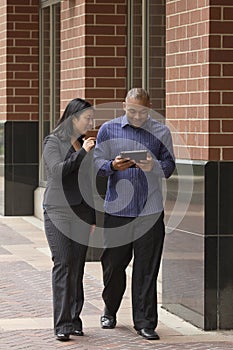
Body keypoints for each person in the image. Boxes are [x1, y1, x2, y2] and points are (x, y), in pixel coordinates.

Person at [94, 88, 175, 340]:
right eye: (131, 111)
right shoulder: (108, 129)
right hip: (117, 210)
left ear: (149, 107)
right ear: (123, 106)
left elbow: (169, 166)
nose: (136, 116)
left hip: (149, 211)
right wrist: (111, 166)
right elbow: (96, 161)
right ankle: (110, 308)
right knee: (114, 265)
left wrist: (154, 167)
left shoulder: (161, 131)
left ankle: (145, 322)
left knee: (146, 269)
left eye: (141, 111)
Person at [43, 98, 96, 341]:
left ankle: (74, 319)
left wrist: (93, 216)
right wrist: (83, 152)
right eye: (87, 118)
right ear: (74, 118)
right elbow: (58, 171)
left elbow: (88, 182)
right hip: (58, 211)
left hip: (82, 213)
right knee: (64, 264)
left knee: (77, 266)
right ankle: (62, 324)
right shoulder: (53, 141)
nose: (91, 122)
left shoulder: (84, 144)